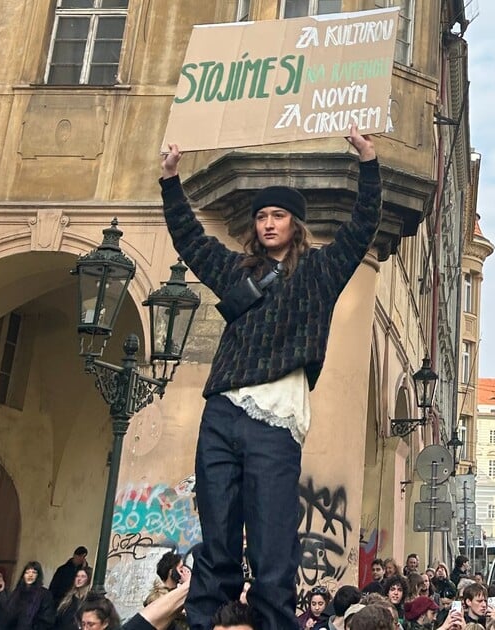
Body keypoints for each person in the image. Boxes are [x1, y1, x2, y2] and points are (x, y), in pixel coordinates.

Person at [159, 126, 383, 630]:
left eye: (277, 215)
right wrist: (171, 180)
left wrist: (368, 164)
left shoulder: (321, 272)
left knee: (271, 548)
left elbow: (361, 226)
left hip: (275, 425)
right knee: (216, 536)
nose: (267, 223)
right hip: (222, 411)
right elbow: (191, 240)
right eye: (261, 216)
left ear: (295, 223)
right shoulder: (237, 268)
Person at [0, 562, 56, 630]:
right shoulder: (17, 592)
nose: (30, 575)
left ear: (38, 575)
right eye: (27, 572)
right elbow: (7, 614)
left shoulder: (45, 595)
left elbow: (47, 620)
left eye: (34, 572)